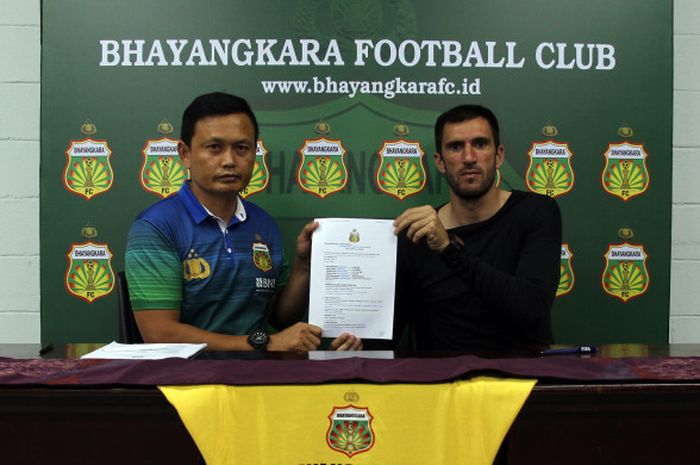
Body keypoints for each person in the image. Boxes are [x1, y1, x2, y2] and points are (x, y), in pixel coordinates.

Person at [125, 92, 361, 352]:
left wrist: (303, 266)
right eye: (214, 147)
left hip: (260, 381)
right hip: (186, 384)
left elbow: (280, 318)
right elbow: (161, 335)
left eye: (241, 148)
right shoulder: (156, 227)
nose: (229, 161)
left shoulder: (262, 223)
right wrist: (266, 344)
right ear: (185, 153)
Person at [392, 104, 562, 350]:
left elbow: (531, 306)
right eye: (455, 147)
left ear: (499, 155)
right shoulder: (417, 234)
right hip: (441, 383)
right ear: (440, 162)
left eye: (480, 144)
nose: (469, 157)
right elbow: (387, 336)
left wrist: (447, 248)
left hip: (519, 382)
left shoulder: (536, 212)